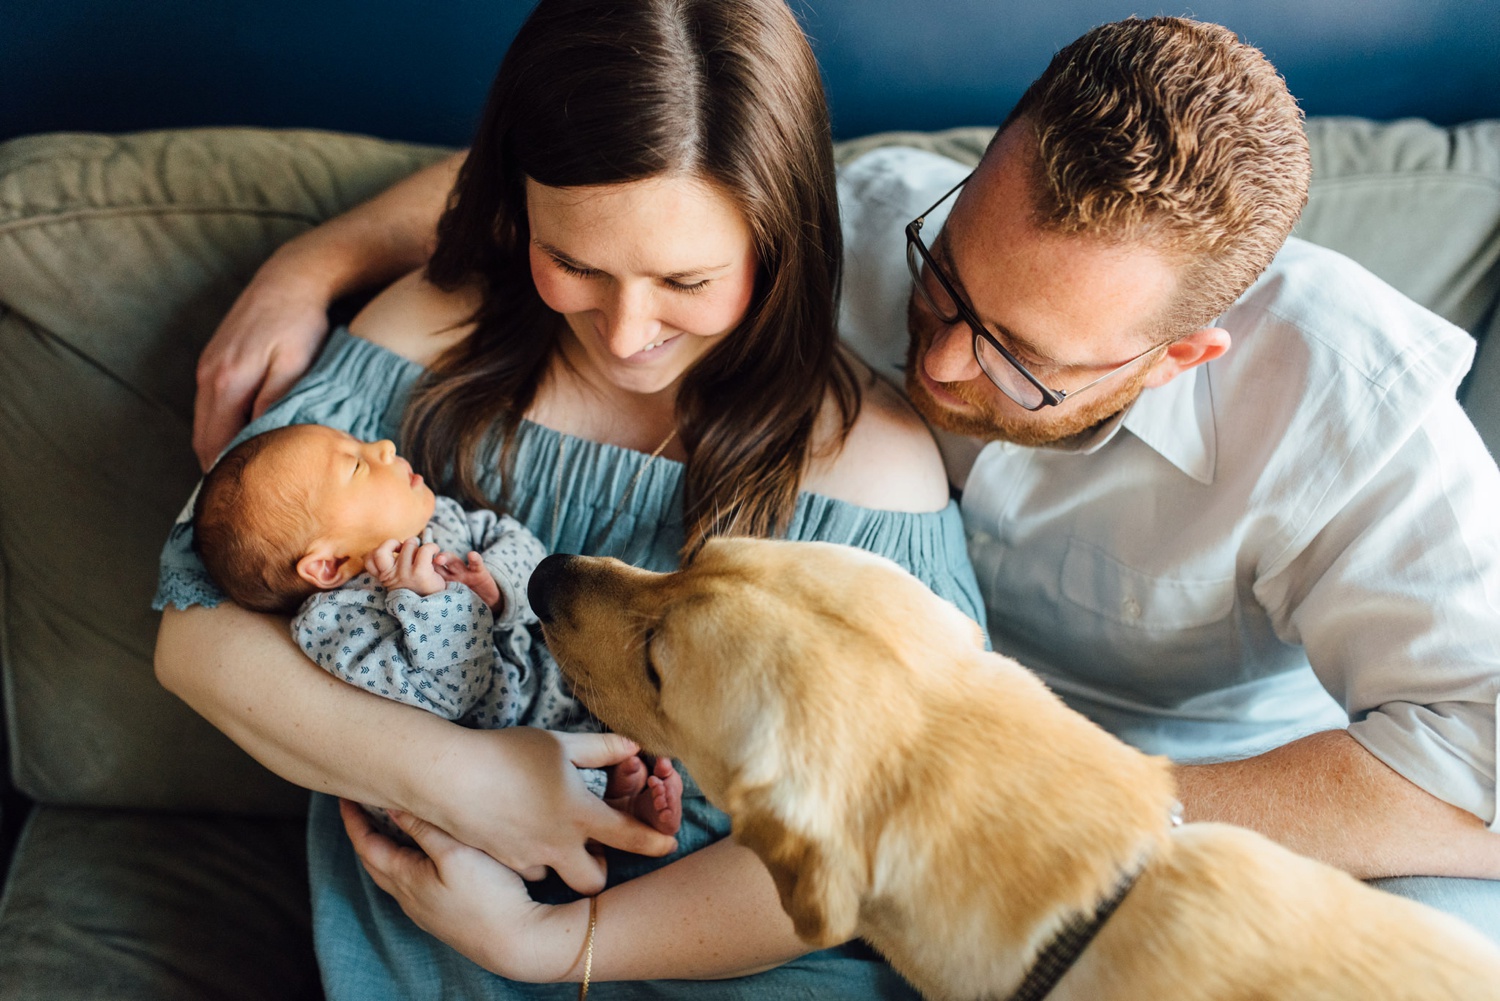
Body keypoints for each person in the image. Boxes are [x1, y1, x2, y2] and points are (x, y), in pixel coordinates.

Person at [184, 11, 1500, 947]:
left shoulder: (1351, 419)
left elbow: (1484, 759)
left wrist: (1032, 793)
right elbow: (620, 188)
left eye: (1018, 360)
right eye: (944, 287)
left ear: (1183, 355)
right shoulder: (879, 217)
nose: (935, 357)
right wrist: (313, 265)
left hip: (1186, 799)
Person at [155, 0, 981, 997]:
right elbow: (196, 629)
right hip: (437, 924)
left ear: (781, 237)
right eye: (577, 263)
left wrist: (557, 940)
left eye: (687, 277)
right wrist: (469, 780)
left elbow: (878, 831)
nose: (628, 332)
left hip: (726, 950)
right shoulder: (432, 337)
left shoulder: (870, 468)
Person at [190, 423, 683, 835]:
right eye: (357, 465)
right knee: (542, 790)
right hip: (493, 747)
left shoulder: (439, 517)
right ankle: (613, 812)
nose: (382, 447)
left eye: (361, 444)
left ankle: (618, 791)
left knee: (625, 709)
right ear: (329, 564)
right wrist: (431, 602)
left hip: (546, 682)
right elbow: (451, 696)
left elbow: (517, 541)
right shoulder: (335, 627)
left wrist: (497, 585)